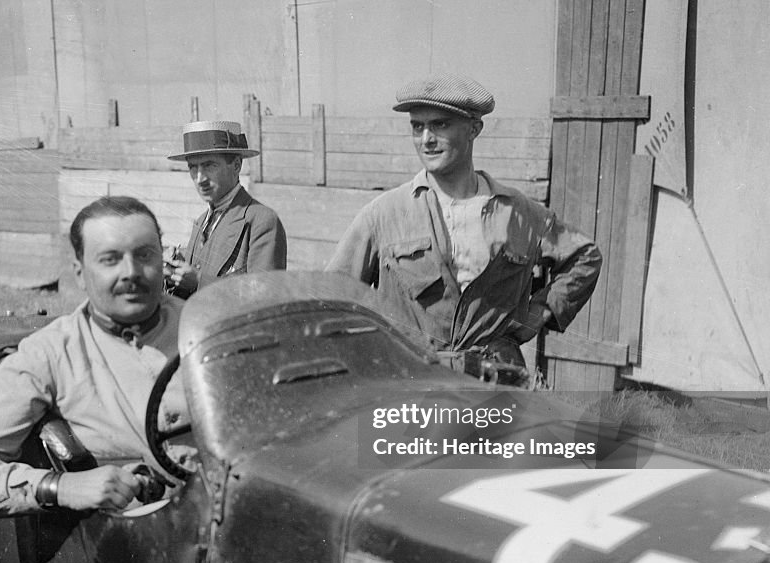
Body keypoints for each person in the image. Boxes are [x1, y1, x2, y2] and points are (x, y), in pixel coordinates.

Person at [326, 73, 601, 367]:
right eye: (417, 127)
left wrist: (536, 316)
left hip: (494, 384)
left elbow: (585, 257)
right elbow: (330, 295)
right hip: (411, 384)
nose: (426, 139)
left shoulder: (518, 212)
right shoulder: (384, 214)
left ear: (474, 129)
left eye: (440, 125)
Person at [0, 196, 184, 515]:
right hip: (139, 539)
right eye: (110, 259)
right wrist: (59, 487)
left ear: (164, 260)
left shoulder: (209, 328)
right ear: (79, 273)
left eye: (144, 255)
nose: (131, 272)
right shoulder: (49, 354)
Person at [164, 120, 287, 298]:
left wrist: (199, 280)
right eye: (193, 167)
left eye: (209, 165)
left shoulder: (261, 220)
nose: (200, 178)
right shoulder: (201, 222)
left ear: (236, 165)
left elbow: (266, 296)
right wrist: (173, 274)